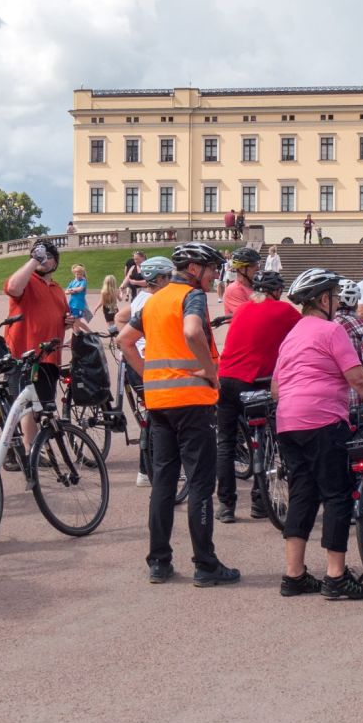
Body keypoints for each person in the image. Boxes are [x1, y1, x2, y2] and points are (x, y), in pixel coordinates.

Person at [118, 242, 238, 587]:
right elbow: (191, 331)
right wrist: (209, 371)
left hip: (159, 401)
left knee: (164, 481)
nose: (215, 274)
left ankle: (159, 561)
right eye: (213, 269)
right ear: (196, 268)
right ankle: (205, 563)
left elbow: (125, 341)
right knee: (200, 481)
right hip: (192, 399)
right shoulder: (191, 295)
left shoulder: (154, 300)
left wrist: (148, 376)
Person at [273, 268, 363, 599]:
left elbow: (276, 388)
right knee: (337, 494)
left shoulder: (292, 334)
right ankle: (336, 576)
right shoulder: (331, 330)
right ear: (323, 300)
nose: (339, 304)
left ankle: (294, 574)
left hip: (288, 423)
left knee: (302, 494)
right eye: (336, 298)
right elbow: (359, 379)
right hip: (323, 421)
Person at [215, 270, 298, 522]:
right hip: (254, 381)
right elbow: (307, 331)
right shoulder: (284, 310)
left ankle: (226, 505)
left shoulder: (242, 309)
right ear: (275, 291)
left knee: (225, 443)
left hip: (225, 378)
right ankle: (260, 500)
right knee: (268, 436)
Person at [3, 239, 72, 451]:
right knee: (26, 406)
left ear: (56, 263)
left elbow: (56, 317)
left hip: (49, 357)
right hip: (24, 354)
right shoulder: (27, 280)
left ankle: (30, 450)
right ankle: (29, 451)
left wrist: (65, 323)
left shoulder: (58, 288)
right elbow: (13, 288)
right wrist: (34, 259)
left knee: (42, 406)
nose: (43, 259)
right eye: (39, 255)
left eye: (48, 256)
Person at [115, 256, 176, 486]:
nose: (173, 281)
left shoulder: (142, 297)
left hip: (137, 362)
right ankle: (147, 469)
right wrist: (139, 345)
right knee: (158, 416)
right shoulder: (155, 301)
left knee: (153, 416)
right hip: (147, 363)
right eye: (170, 277)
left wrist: (130, 345)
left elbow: (120, 318)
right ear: (159, 279)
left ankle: (147, 469)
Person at [222, 247, 261, 319]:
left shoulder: (254, 287)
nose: (258, 268)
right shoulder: (234, 290)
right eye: (253, 265)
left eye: (258, 264)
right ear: (242, 269)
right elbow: (249, 317)